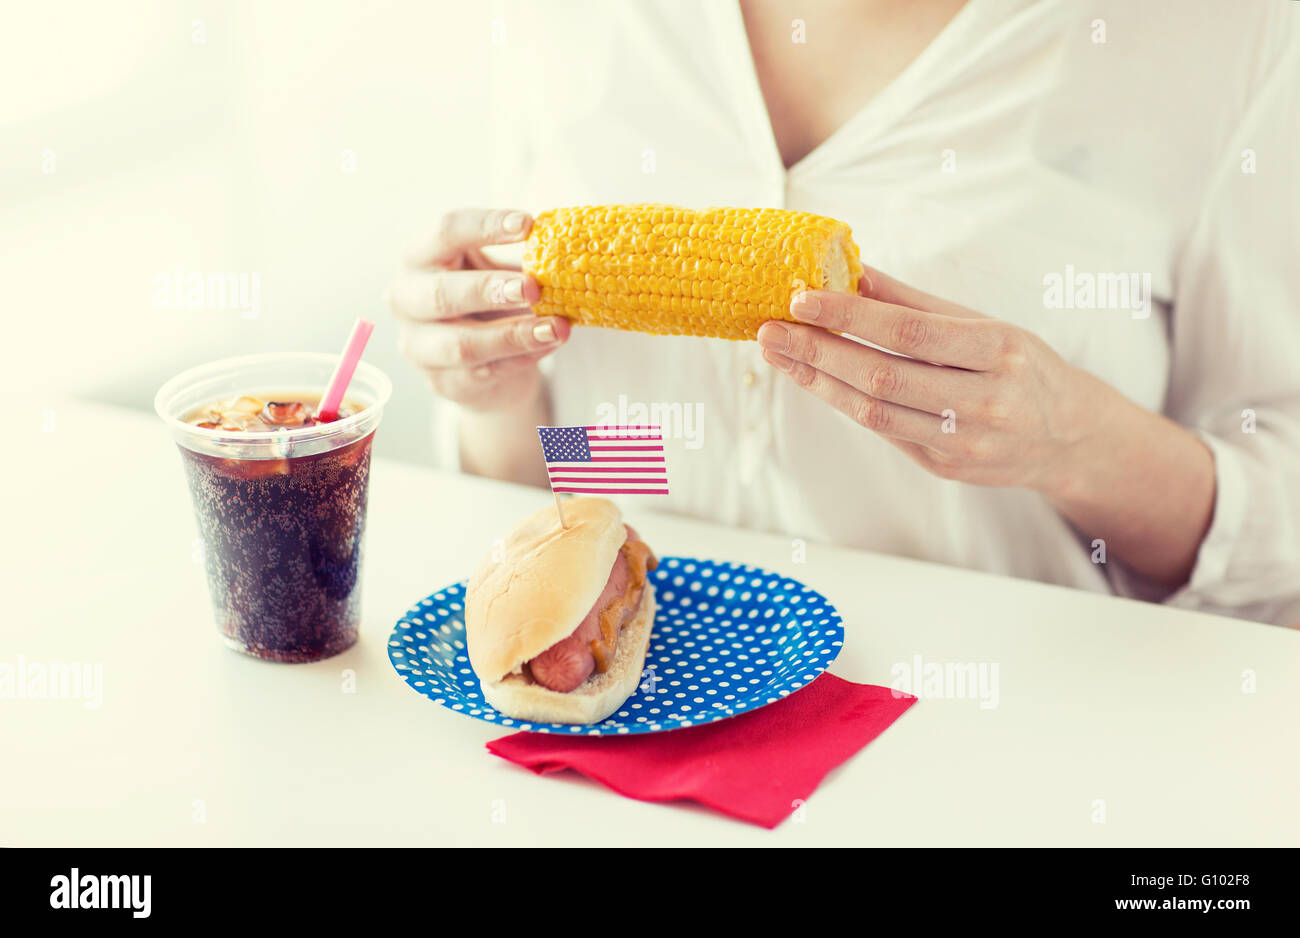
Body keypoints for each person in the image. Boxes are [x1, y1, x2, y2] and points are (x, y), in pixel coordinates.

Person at [387, 0, 1300, 626]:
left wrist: (1079, 443)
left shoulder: (1222, 39)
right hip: (626, 701)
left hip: (1003, 739)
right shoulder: (579, 24)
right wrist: (494, 402)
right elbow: (593, 458)